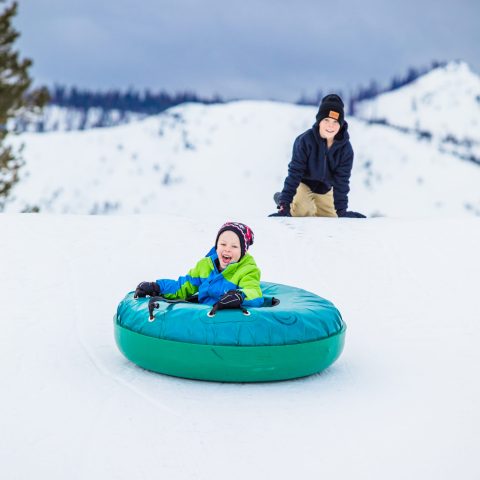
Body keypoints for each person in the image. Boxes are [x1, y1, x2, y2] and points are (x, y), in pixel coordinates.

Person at [269, 94, 365, 218]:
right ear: (319, 121)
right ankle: (287, 201)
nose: (330, 125)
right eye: (326, 120)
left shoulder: (346, 150)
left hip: (325, 189)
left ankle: (311, 206)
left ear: (341, 125)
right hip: (303, 184)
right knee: (303, 212)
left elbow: (342, 182)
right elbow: (294, 173)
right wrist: (284, 204)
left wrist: (341, 211)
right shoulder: (305, 141)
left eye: (335, 121)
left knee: (331, 219)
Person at [134, 221, 263, 311]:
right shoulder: (205, 266)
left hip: (227, 322)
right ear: (216, 246)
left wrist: (240, 296)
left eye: (234, 246)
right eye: (223, 244)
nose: (227, 249)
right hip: (202, 319)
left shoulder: (247, 270)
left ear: (243, 251)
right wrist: (157, 287)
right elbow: (183, 286)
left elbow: (254, 293)